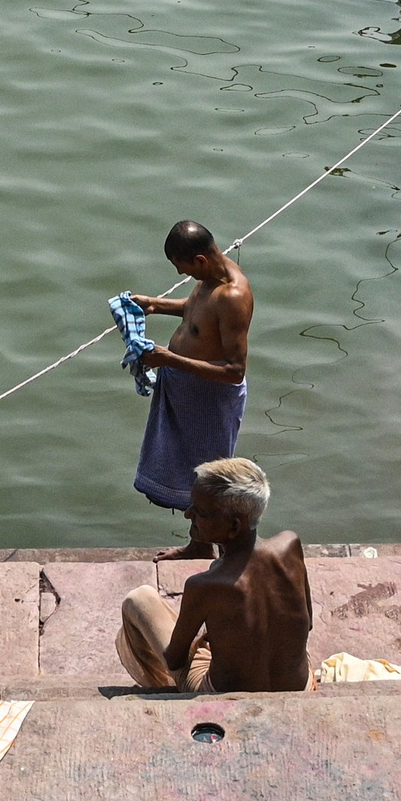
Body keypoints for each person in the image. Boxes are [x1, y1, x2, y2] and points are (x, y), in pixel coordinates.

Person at [119, 458, 311, 693]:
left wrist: (200, 641)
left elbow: (174, 660)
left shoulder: (205, 586)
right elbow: (308, 623)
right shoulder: (291, 544)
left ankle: (161, 690)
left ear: (234, 526)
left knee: (139, 599)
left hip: (225, 697)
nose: (188, 515)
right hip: (300, 687)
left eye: (200, 512)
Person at [129, 221, 253, 557]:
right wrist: (154, 304)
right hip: (186, 389)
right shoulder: (208, 278)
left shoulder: (233, 296)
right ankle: (197, 545)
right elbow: (195, 312)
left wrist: (169, 359)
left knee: (208, 479)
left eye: (180, 267)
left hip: (210, 400)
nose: (181, 273)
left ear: (199, 260)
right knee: (190, 472)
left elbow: (234, 371)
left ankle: (217, 548)